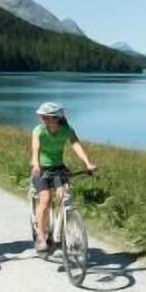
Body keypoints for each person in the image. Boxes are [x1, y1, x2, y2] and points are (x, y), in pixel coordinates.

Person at [31, 101, 97, 254]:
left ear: (57, 118)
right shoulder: (39, 131)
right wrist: (35, 164)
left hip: (58, 168)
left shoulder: (67, 130)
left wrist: (88, 163)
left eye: (47, 117)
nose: (44, 120)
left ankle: (62, 231)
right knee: (45, 200)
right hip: (41, 169)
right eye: (42, 117)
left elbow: (76, 145)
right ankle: (41, 236)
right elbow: (36, 148)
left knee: (64, 196)